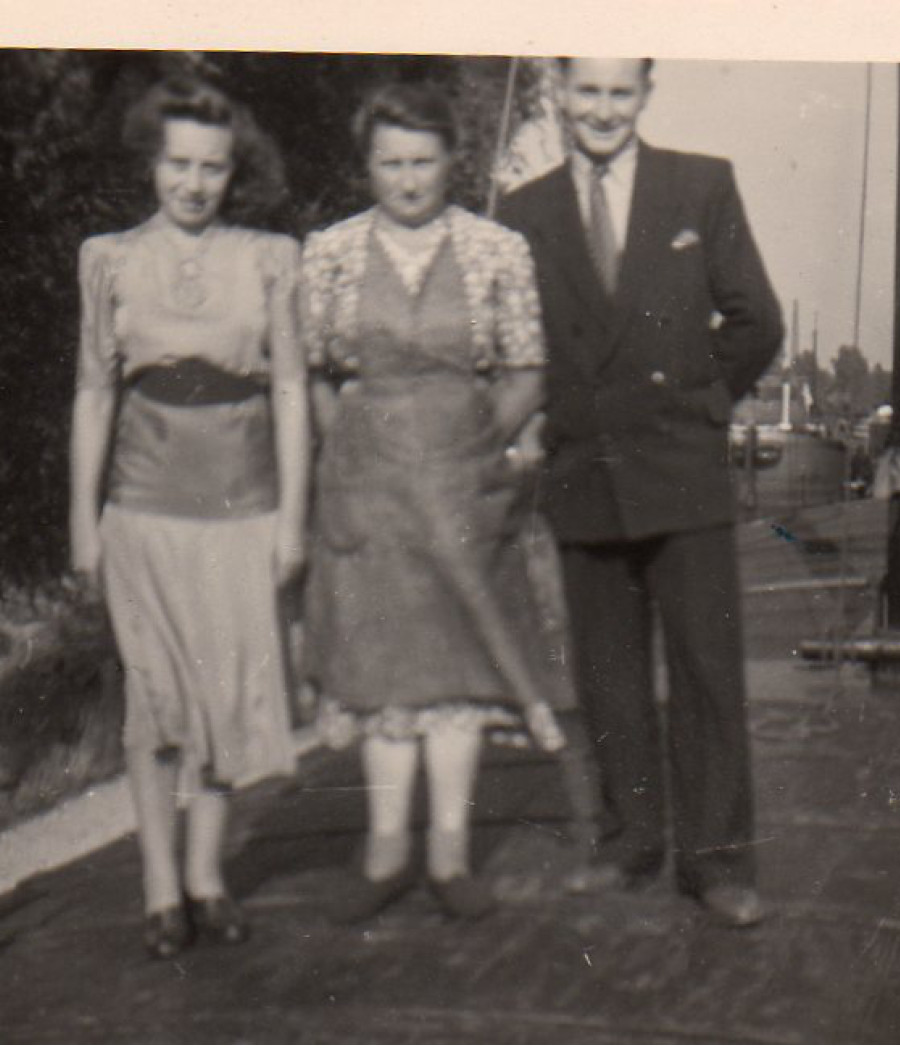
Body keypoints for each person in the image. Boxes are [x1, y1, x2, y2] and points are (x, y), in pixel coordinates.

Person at [497, 58, 784, 927]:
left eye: (621, 93)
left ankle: (717, 863)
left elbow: (756, 320)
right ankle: (629, 842)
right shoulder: (524, 210)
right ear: (558, 96)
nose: (602, 110)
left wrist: (698, 406)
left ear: (646, 97)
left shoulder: (700, 185)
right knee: (607, 671)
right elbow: (518, 344)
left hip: (680, 470)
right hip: (585, 470)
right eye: (586, 92)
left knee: (705, 669)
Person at [300, 81, 569, 923]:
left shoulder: (496, 250)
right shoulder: (331, 251)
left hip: (463, 484)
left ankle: (449, 851)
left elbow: (527, 369)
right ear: (366, 165)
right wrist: (346, 449)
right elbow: (311, 370)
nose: (407, 179)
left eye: (422, 162)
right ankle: (385, 848)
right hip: (367, 491)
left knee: (455, 669)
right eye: (390, 163)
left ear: (452, 161)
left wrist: (474, 440)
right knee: (384, 675)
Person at [68, 76, 308, 960]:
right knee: (156, 702)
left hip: (244, 512)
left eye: (212, 167)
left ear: (231, 171)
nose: (195, 183)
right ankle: (159, 888)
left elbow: (288, 387)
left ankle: (207, 877)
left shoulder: (272, 257)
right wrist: (80, 522)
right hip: (141, 511)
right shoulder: (109, 259)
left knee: (222, 702)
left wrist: (292, 518)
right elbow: (93, 392)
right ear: (152, 162)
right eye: (179, 164)